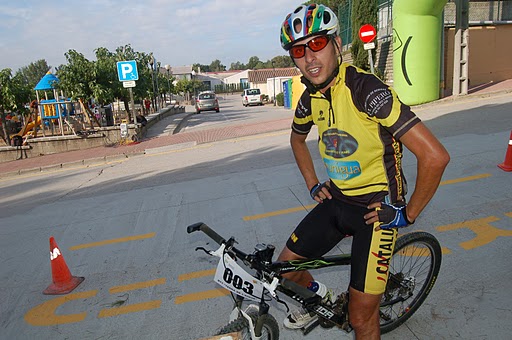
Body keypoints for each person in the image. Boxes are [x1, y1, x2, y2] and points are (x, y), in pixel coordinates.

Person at [278, 4, 450, 339]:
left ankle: (359, 311)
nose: (309, 58)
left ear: (336, 44)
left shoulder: (365, 90)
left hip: (377, 209)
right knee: (286, 272)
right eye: (299, 51)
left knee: (361, 319)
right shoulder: (309, 98)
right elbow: (297, 141)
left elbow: (435, 156)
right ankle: (326, 300)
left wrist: (407, 213)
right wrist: (313, 184)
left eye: (317, 44)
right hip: (338, 198)